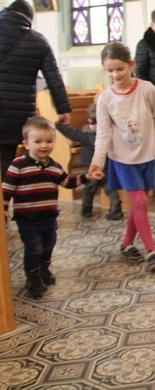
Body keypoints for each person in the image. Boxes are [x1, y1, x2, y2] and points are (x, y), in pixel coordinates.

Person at [89, 42, 155, 273]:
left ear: (131, 65)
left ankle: (126, 244)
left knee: (138, 204)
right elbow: (102, 134)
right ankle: (151, 251)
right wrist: (96, 162)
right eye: (110, 70)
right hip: (121, 158)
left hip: (146, 155)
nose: (115, 74)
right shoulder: (105, 99)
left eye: (120, 69)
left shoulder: (147, 89)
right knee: (141, 202)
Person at [3, 117, 102, 299]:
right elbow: (6, 189)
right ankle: (32, 278)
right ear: (26, 144)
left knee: (48, 245)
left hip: (49, 216)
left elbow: (68, 181)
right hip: (28, 218)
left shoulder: (53, 166)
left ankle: (43, 270)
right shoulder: (18, 165)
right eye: (38, 141)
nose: (44, 146)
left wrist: (87, 176)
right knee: (34, 248)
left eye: (49, 141)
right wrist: (3, 207)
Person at [0, 0, 71, 177]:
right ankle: (5, 202)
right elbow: (53, 78)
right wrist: (63, 109)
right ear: (29, 18)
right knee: (6, 159)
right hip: (17, 113)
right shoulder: (38, 41)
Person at [56, 103, 123, 220]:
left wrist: (59, 125)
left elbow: (71, 133)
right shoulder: (111, 131)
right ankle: (116, 209)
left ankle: (86, 211)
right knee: (110, 187)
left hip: (91, 167)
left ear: (89, 120)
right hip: (107, 164)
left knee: (89, 189)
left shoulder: (85, 133)